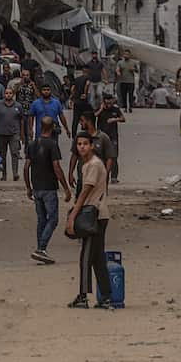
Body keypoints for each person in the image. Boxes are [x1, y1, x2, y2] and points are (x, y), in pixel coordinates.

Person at [67, 131, 114, 309]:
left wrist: (72, 215)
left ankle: (82, 296)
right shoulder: (88, 164)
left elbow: (85, 192)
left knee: (86, 256)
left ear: (92, 145)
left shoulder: (93, 165)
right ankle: (106, 296)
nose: (82, 147)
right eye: (79, 144)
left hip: (94, 215)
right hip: (99, 214)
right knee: (97, 258)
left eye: (85, 144)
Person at [25, 115, 72, 264]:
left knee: (41, 219)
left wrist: (28, 187)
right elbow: (57, 167)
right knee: (53, 219)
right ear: (52, 128)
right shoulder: (52, 145)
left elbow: (26, 167)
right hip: (49, 188)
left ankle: (41, 249)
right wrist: (66, 188)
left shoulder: (32, 144)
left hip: (37, 187)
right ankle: (41, 248)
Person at [68, 112, 114, 194]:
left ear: (89, 121)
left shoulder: (103, 137)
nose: (80, 123)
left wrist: (105, 175)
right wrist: (70, 173)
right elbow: (74, 155)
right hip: (82, 179)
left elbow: (109, 158)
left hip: (98, 180)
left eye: (82, 121)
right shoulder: (79, 137)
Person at [0, 86, 23, 181]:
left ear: (13, 94)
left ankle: (15, 173)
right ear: (4, 94)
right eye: (6, 93)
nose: (8, 95)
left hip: (14, 133)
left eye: (10, 93)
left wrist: (22, 133)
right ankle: (4, 175)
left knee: (14, 153)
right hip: (1, 133)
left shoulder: (18, 106)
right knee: (2, 155)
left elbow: (21, 120)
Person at [95, 93, 126, 184]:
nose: (108, 102)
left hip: (113, 136)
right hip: (101, 136)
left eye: (110, 100)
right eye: (106, 100)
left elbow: (123, 118)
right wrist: (101, 109)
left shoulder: (115, 109)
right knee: (100, 157)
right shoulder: (100, 108)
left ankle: (114, 177)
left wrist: (114, 119)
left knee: (113, 156)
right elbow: (93, 116)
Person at [10, 67, 38, 146]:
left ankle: (27, 149)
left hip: (29, 111)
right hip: (19, 111)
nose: (25, 77)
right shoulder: (18, 84)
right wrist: (19, 85)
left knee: (28, 131)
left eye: (27, 75)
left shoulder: (32, 85)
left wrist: (34, 86)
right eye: (23, 75)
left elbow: (38, 96)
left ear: (29, 76)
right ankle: (17, 148)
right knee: (17, 130)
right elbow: (13, 94)